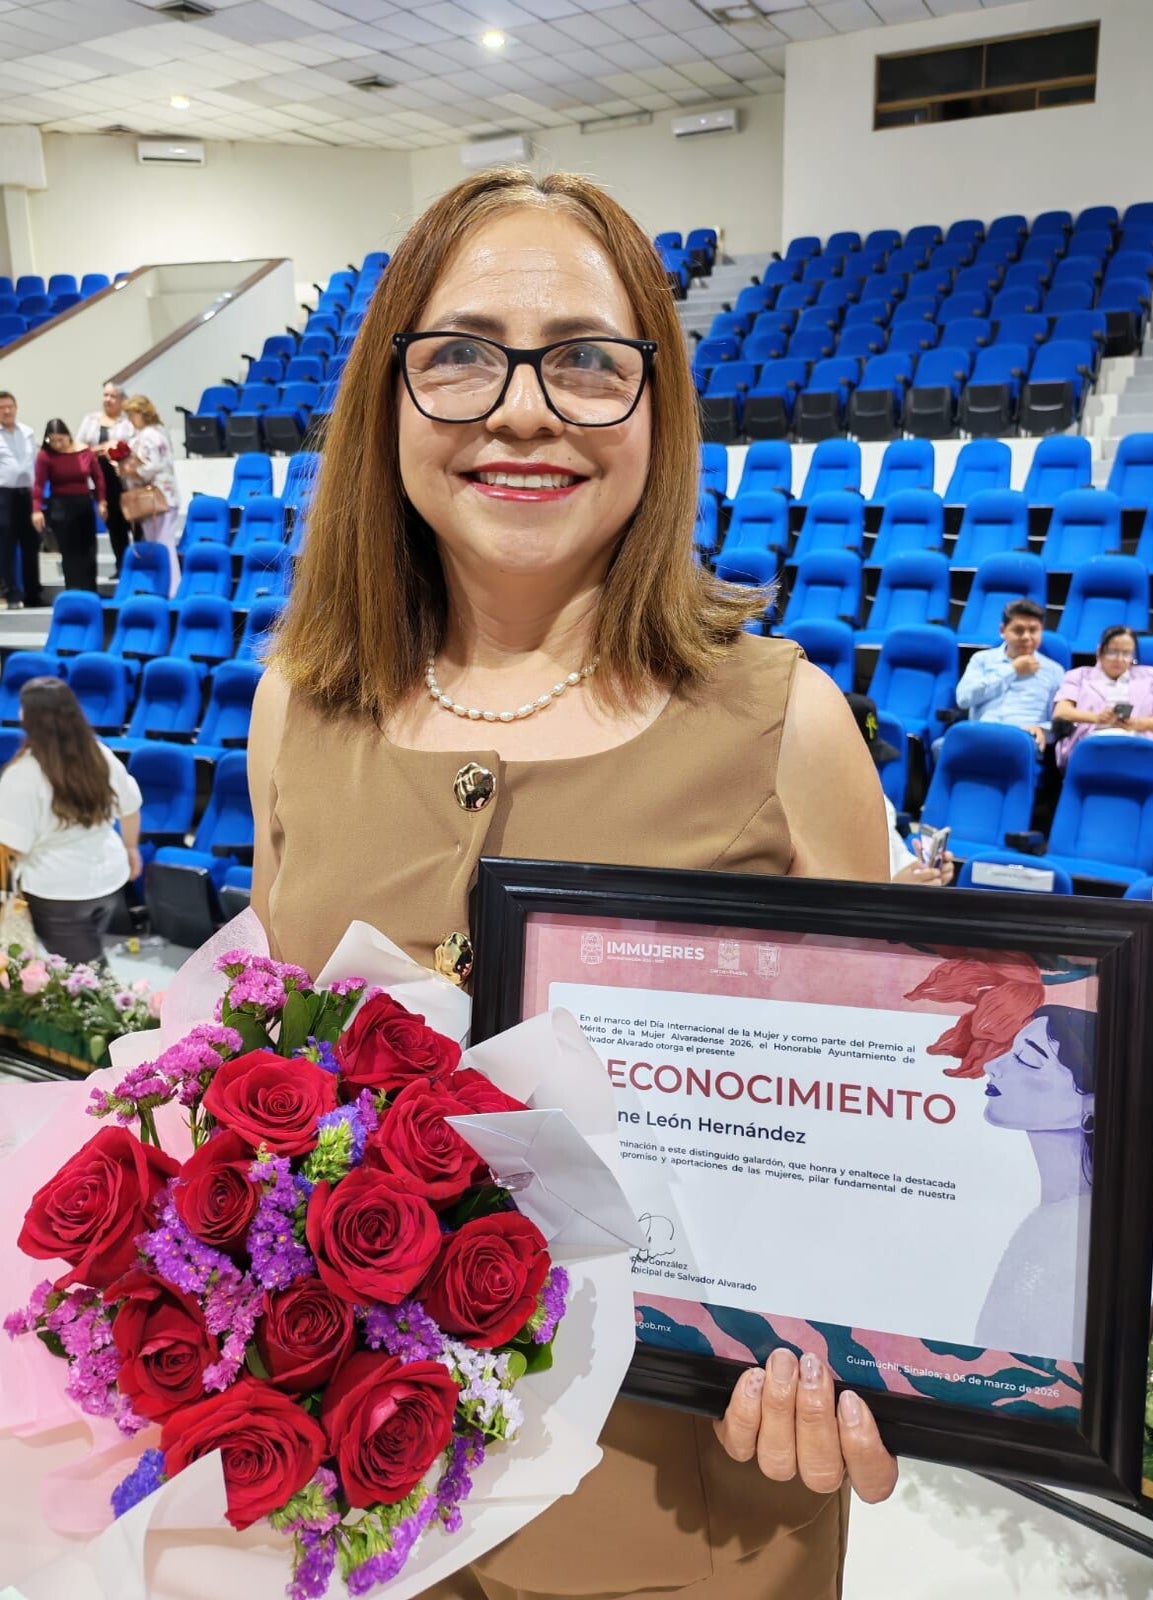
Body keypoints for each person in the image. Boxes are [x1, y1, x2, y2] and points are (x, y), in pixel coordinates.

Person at [248, 169, 896, 1600]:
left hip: (685, 1514)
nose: (524, 409)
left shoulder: (788, 727)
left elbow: (873, 1163)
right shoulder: (296, 705)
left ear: (657, 408)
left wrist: (860, 1358)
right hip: (351, 1506)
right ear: (387, 396)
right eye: (462, 354)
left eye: (589, 359)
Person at [974, 1006, 1095, 1362]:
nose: (992, 1065)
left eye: (1028, 1059)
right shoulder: (1055, 1219)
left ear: (1093, 1105)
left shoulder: (1074, 1233)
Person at [0, 677, 141, 964]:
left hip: (57, 890)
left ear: (28, 717)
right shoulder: (100, 755)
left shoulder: (23, 774)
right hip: (109, 878)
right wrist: (131, 849)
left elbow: (8, 847)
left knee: (84, 974)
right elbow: (131, 807)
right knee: (83, 958)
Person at [1053, 625, 1153, 838]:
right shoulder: (1079, 676)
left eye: (1127, 653)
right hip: (1095, 740)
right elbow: (1062, 711)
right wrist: (1096, 718)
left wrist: (1135, 723)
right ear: (1099, 651)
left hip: (1142, 741)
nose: (1120, 659)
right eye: (1113, 652)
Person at [846, 693, 954, 885]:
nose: (870, 768)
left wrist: (925, 871)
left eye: (872, 759)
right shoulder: (805, 815)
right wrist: (892, 891)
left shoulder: (880, 802)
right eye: (860, 758)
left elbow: (899, 858)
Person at [954, 598, 1064, 754]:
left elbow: (1061, 721)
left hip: (1022, 741)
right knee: (942, 746)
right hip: (981, 736)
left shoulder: (1054, 671)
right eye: (1018, 630)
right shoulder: (982, 660)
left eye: (1033, 630)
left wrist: (1042, 729)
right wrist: (1012, 670)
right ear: (1003, 630)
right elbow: (964, 699)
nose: (1026, 637)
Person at [31, 419, 105, 593]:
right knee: (70, 551)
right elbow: (39, 484)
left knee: (88, 549)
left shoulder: (84, 452)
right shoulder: (45, 456)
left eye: (60, 440)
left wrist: (102, 501)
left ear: (68, 436)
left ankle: (90, 589)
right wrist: (36, 509)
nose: (57, 445)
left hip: (84, 503)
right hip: (61, 505)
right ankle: (74, 589)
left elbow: (98, 478)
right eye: (52, 440)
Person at [121, 393, 180, 595]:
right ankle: (165, 587)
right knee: (158, 543)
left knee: (162, 544)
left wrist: (131, 471)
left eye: (132, 415)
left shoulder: (149, 435)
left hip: (157, 497)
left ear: (142, 413)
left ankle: (171, 589)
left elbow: (154, 465)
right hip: (159, 496)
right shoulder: (156, 432)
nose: (130, 419)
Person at [76, 381, 135, 573]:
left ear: (122, 400)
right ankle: (121, 565)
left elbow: (132, 445)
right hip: (100, 479)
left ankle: (135, 565)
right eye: (105, 395)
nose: (108, 400)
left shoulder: (128, 422)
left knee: (130, 522)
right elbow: (79, 446)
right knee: (113, 523)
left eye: (113, 396)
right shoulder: (91, 419)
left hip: (123, 479)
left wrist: (115, 448)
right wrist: (101, 448)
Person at [0, 390, 44, 610]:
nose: (7, 411)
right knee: (6, 545)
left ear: (16, 408)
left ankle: (33, 593)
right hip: (3, 494)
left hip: (26, 493)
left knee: (31, 544)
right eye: (2, 408)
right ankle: (11, 593)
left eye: (10, 406)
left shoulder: (27, 432)